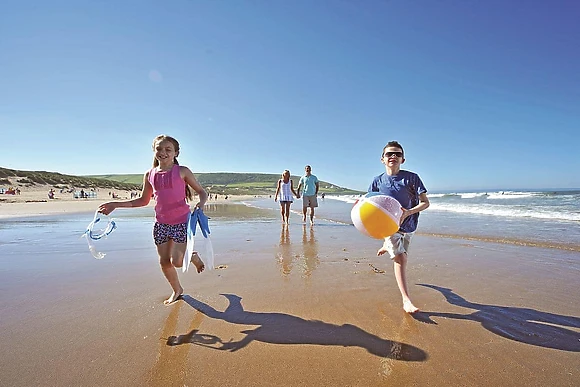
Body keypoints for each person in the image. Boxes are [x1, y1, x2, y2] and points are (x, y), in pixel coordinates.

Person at [98, 135, 209, 305]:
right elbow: (143, 200)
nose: (163, 152)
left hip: (181, 222)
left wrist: (200, 205)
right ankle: (177, 290)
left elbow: (202, 192)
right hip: (161, 224)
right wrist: (115, 204)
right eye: (159, 149)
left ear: (176, 153)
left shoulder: (182, 171)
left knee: (177, 262)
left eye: (168, 149)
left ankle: (192, 255)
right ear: (154, 150)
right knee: (164, 262)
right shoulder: (149, 174)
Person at [368, 141, 430, 314]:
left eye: (397, 154)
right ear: (382, 159)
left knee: (401, 253)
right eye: (389, 154)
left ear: (403, 159)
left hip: (409, 225)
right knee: (401, 259)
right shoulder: (377, 181)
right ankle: (406, 300)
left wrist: (408, 212)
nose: (393, 156)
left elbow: (425, 203)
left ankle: (387, 245)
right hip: (389, 226)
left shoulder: (412, 178)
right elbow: (370, 204)